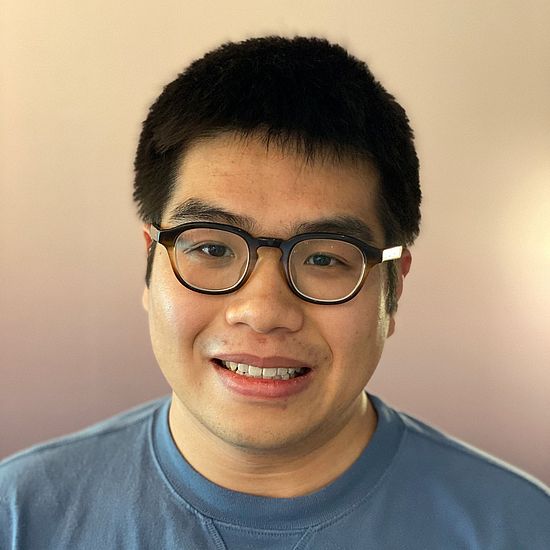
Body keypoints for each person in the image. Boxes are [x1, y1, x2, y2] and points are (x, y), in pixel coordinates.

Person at [1, 36, 548, 550]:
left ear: (393, 288)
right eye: (212, 248)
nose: (263, 312)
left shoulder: (518, 528)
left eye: (324, 258)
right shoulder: (20, 517)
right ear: (150, 263)